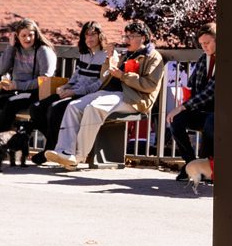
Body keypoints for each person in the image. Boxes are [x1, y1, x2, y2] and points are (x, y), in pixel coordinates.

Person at [44, 20, 165, 170]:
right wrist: (109, 59)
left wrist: (123, 76)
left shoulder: (153, 57)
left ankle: (78, 156)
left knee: (94, 108)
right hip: (109, 92)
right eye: (126, 36)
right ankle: (64, 151)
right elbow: (105, 76)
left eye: (131, 36)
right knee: (73, 106)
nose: (127, 40)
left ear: (143, 38)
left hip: (133, 98)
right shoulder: (125, 54)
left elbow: (150, 85)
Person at [27, 21, 108, 165]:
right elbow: (77, 75)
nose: (89, 38)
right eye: (86, 35)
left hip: (84, 96)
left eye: (93, 35)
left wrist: (73, 91)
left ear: (100, 36)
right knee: (36, 108)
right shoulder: (85, 54)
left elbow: (99, 84)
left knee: (55, 109)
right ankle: (56, 143)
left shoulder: (105, 56)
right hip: (72, 90)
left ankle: (50, 148)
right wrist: (66, 86)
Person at [0, 19, 55, 163]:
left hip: (36, 92)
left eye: (30, 35)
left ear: (36, 35)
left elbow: (45, 80)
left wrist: (17, 85)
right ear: (17, 36)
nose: (27, 39)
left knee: (11, 103)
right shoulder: (16, 49)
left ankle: (1, 146)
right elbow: (1, 69)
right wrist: (10, 47)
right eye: (23, 35)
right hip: (16, 90)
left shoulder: (43, 51)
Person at [170, 23, 216, 168]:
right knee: (176, 120)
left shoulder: (228, 60)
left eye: (207, 43)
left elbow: (210, 92)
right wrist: (184, 107)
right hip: (201, 109)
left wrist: (183, 106)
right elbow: (194, 86)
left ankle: (206, 165)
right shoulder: (203, 59)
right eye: (201, 43)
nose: (204, 47)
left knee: (211, 122)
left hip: (219, 111)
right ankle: (191, 164)